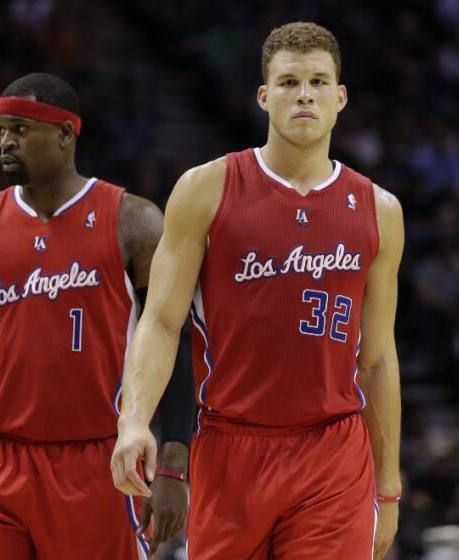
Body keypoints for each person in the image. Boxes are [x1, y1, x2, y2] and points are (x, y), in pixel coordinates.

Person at [110, 21, 403, 559]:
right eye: (289, 83)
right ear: (264, 96)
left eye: (318, 82)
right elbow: (160, 321)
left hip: (332, 448)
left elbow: (379, 358)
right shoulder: (207, 188)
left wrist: (389, 487)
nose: (305, 95)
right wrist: (133, 421)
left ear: (340, 98)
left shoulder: (381, 209)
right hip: (230, 443)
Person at [0, 73, 195, 559]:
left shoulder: (134, 222)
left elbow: (175, 341)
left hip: (96, 462)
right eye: (0, 130)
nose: (5, 141)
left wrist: (173, 461)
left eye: (20, 128)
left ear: (65, 133)